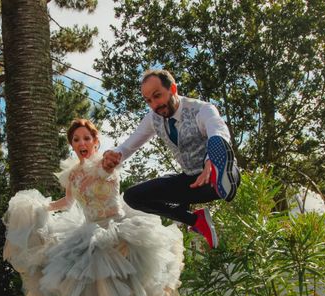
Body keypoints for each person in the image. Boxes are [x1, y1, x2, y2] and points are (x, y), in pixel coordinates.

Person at [3, 119, 185, 296]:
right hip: (87, 232)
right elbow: (68, 202)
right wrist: (41, 207)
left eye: (86, 138)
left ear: (96, 141)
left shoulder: (108, 161)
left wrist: (104, 167)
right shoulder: (73, 174)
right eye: (76, 140)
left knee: (128, 292)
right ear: (72, 145)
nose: (82, 143)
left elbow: (107, 172)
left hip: (117, 230)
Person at [102, 69, 240, 249]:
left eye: (157, 96)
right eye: (148, 101)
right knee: (133, 197)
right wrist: (114, 154)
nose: (154, 105)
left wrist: (211, 160)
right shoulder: (154, 118)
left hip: (212, 179)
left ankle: (223, 172)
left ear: (173, 89)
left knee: (217, 150)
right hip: (190, 181)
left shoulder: (201, 109)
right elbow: (129, 145)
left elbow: (218, 129)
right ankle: (195, 219)